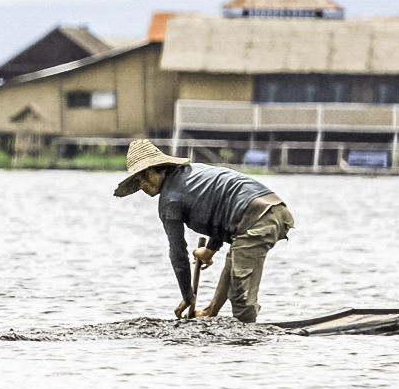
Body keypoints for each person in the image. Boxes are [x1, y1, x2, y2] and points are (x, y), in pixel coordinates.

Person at [114, 138, 294, 322]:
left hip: (258, 218)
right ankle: (211, 311)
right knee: (234, 265)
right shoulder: (192, 174)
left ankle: (248, 337)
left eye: (145, 176)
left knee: (240, 294)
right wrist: (209, 251)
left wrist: (187, 296)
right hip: (272, 211)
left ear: (158, 169)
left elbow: (178, 253)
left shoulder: (170, 201)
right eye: (137, 180)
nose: (142, 184)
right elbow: (221, 210)